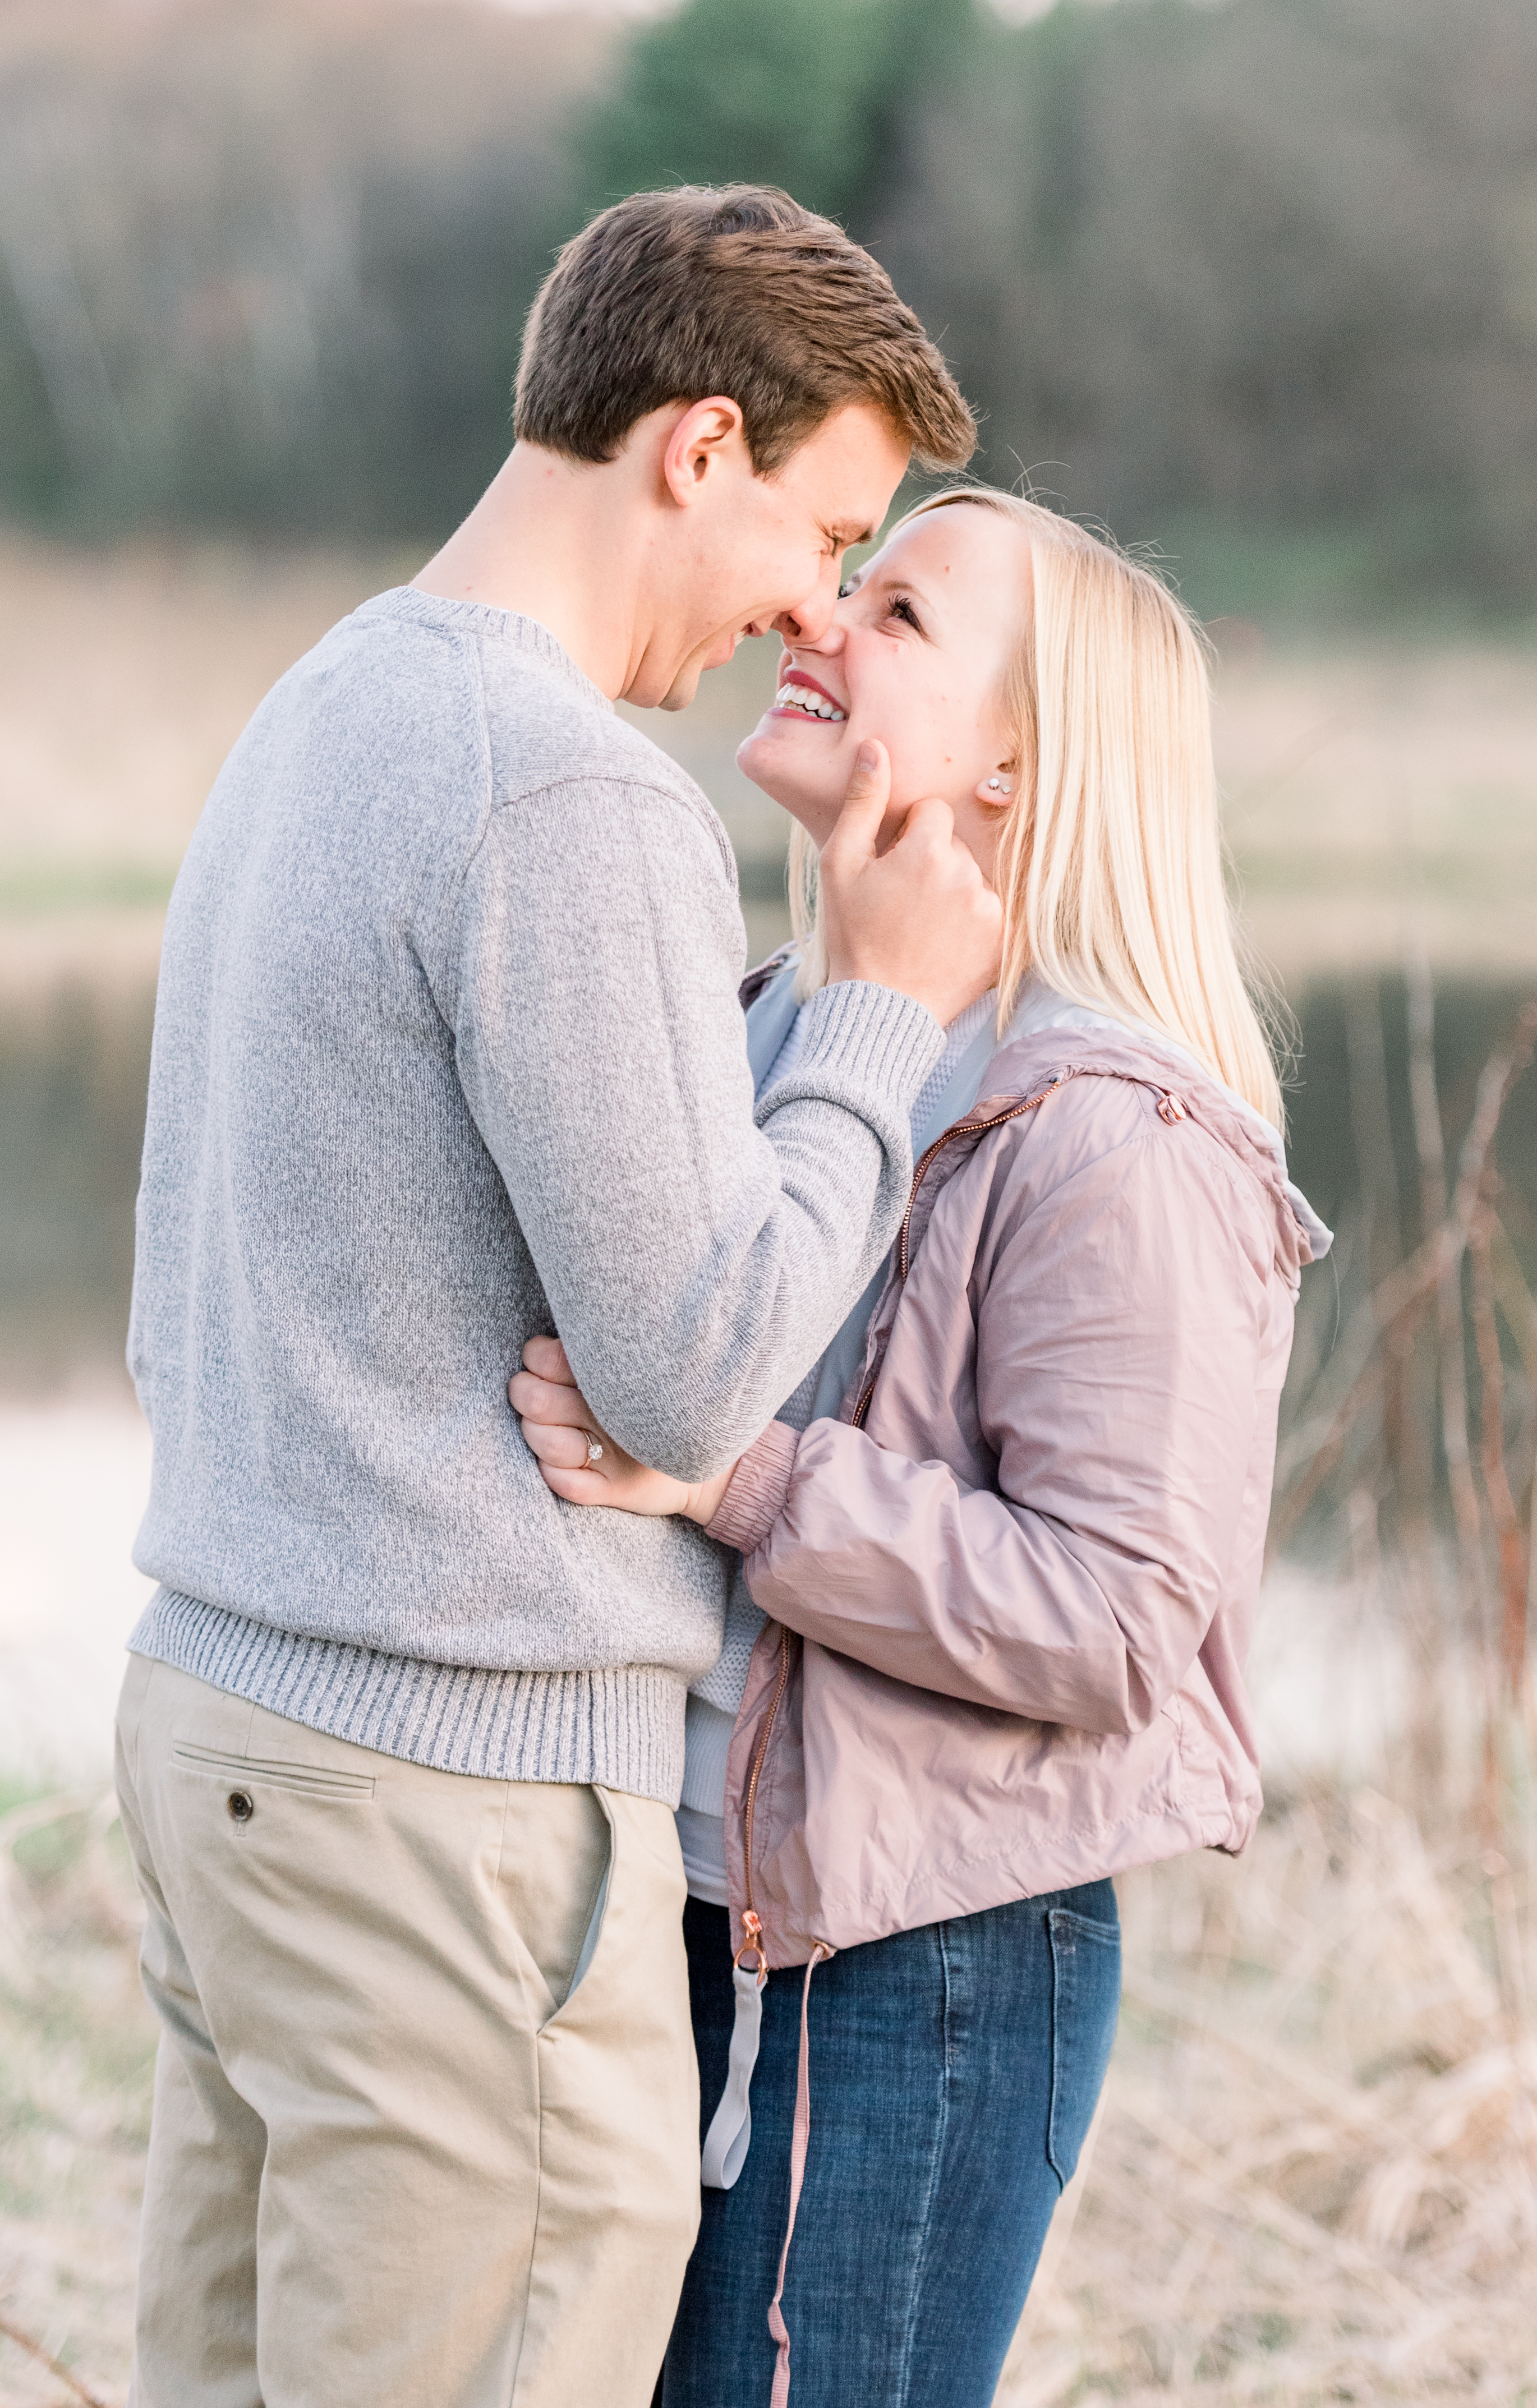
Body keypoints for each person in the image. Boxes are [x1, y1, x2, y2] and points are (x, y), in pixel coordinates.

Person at [112, 186, 1004, 2408]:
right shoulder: (568, 789)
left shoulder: (322, 701)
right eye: (827, 527)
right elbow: (694, 1371)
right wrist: (879, 1014)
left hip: (224, 1734)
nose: (812, 606)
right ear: (697, 446)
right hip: (445, 1808)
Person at [511, 487, 1330, 2408]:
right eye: (844, 582)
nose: (820, 614)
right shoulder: (768, 1033)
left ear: (1022, 758)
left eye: (895, 612)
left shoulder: (1113, 1132)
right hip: (677, 1921)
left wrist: (732, 1480)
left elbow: (1119, 1620)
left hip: (916, 1977)